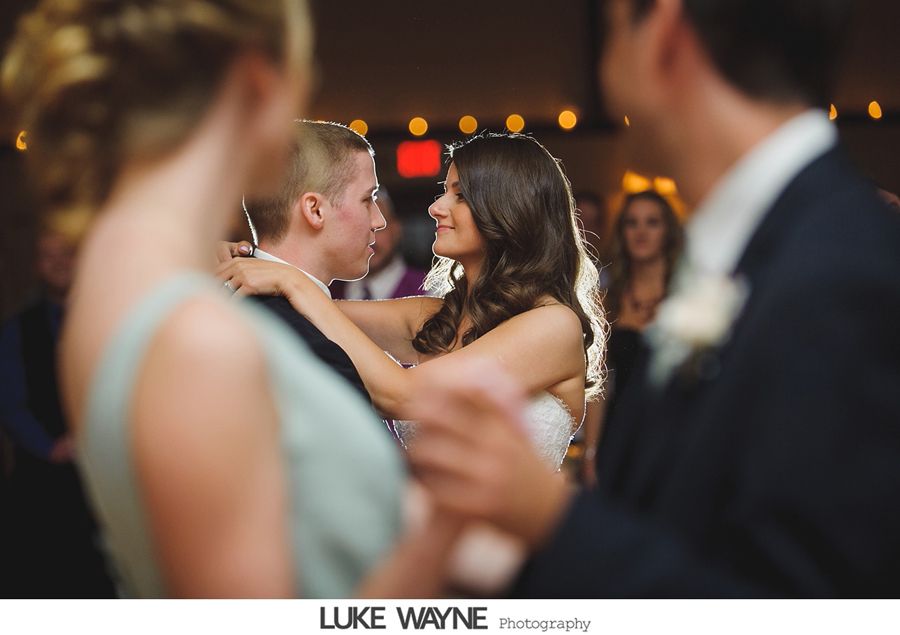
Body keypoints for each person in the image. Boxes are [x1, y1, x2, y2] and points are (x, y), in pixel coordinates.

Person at [406, 0, 900, 596]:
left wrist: (552, 521)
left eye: (612, 29)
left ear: (665, 32)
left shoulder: (845, 277)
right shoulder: (747, 254)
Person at [1, 0, 448, 598]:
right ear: (259, 84)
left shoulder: (122, 285)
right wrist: (446, 537)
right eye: (302, 73)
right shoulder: (198, 341)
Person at [219, 132, 607, 470]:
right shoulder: (439, 318)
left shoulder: (554, 326)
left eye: (459, 195)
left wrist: (291, 282)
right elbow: (315, 314)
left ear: (508, 212)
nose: (436, 207)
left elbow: (403, 395)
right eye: (444, 192)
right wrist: (236, 261)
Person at [0, 229, 114, 597]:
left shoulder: (110, 317)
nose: (60, 263)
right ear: (37, 267)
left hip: (108, 477)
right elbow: (10, 401)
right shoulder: (18, 328)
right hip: (43, 482)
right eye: (49, 257)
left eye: (66, 253)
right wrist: (50, 447)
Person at [242, 120, 386, 400]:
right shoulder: (306, 345)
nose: (379, 220)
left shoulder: (234, 306)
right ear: (315, 210)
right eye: (368, 199)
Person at [580, 190, 682, 488]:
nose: (641, 232)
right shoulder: (605, 301)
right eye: (631, 223)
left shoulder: (688, 298)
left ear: (668, 231)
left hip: (674, 437)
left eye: (652, 222)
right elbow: (598, 386)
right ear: (621, 231)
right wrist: (591, 453)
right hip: (619, 434)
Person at [330, 187, 429, 301]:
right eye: (358, 228)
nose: (369, 239)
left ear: (396, 229)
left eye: (378, 228)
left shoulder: (428, 290)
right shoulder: (327, 293)